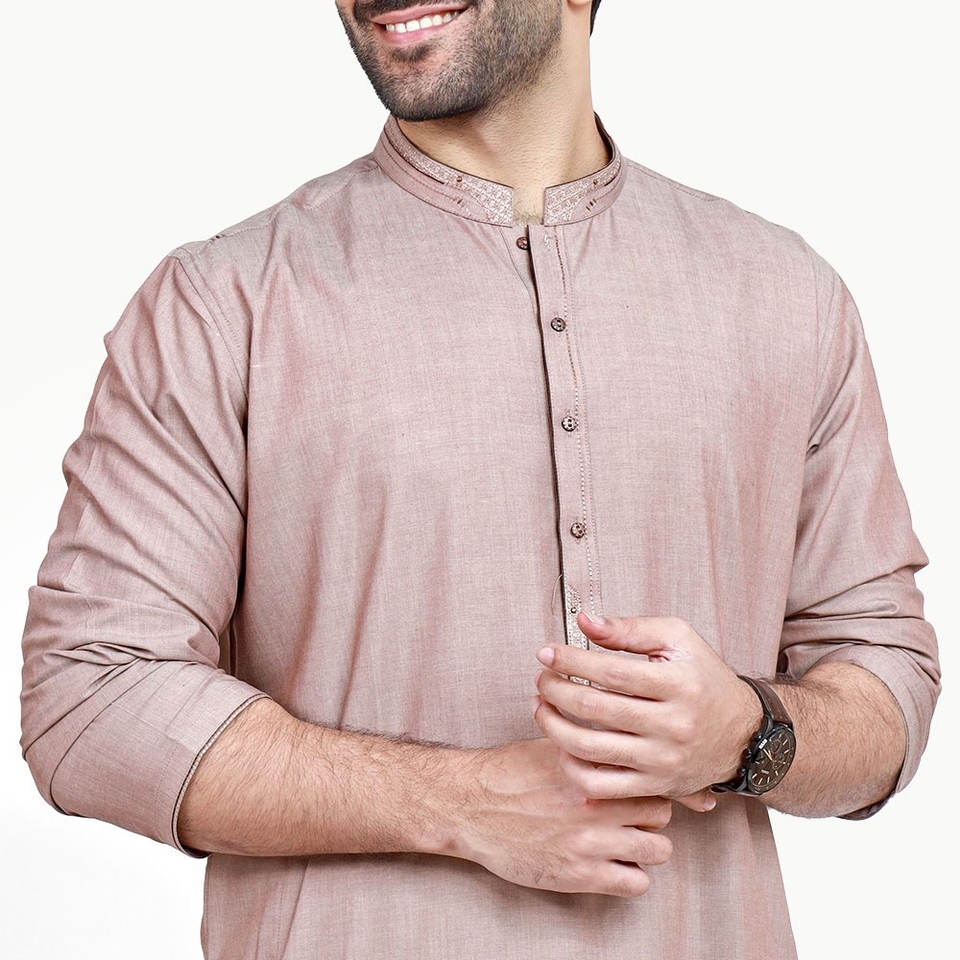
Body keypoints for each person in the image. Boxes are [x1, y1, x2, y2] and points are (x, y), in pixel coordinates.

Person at [19, 2, 940, 958]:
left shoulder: (786, 296)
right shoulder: (225, 306)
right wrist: (460, 802)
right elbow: (87, 695)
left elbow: (886, 682)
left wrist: (749, 735)